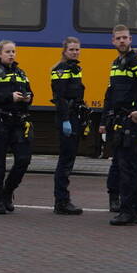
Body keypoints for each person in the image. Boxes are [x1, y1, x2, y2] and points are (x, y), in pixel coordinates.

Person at [100, 25, 137, 226]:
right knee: (127, 167)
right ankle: (132, 212)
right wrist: (105, 119)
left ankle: (128, 212)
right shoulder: (116, 64)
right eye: (118, 38)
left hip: (131, 123)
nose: (122, 41)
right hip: (120, 121)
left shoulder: (136, 61)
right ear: (113, 41)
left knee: (128, 168)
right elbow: (111, 94)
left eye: (125, 38)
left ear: (130, 39)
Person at [0, 40, 33, 214]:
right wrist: (10, 97)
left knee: (24, 159)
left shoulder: (21, 73)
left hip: (18, 122)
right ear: (0, 54)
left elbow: (30, 93)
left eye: (13, 52)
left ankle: (8, 191)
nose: (11, 54)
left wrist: (27, 98)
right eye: (8, 52)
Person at [50, 37, 85, 215]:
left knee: (69, 160)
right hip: (67, 117)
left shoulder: (75, 68)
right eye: (71, 49)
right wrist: (65, 120)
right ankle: (61, 202)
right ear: (64, 51)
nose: (75, 52)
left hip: (74, 116)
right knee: (65, 161)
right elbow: (60, 97)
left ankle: (63, 200)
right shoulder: (61, 70)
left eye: (77, 49)